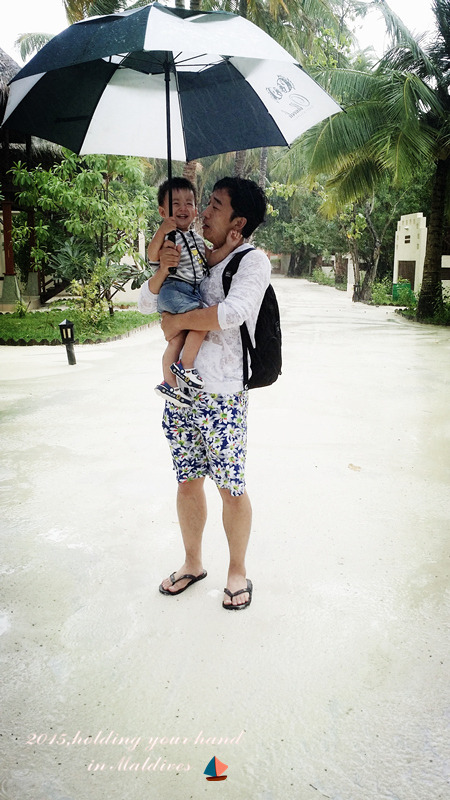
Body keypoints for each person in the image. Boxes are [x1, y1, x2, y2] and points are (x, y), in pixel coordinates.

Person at [138, 177, 270, 610]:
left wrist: (178, 322)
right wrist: (163, 268)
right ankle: (192, 562)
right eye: (206, 204)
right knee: (187, 481)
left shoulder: (252, 261)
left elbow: (233, 312)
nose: (204, 212)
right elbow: (145, 303)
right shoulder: (190, 249)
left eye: (214, 205)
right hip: (182, 394)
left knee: (230, 486)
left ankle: (237, 571)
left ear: (238, 221)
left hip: (223, 395)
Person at [148, 177, 238, 408]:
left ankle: (170, 384)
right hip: (175, 289)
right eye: (175, 203)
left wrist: (228, 246)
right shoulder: (167, 237)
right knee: (202, 321)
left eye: (189, 203)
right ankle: (185, 366)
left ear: (196, 210)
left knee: (176, 340)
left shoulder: (196, 239)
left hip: (189, 292)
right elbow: (152, 255)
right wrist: (162, 231)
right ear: (162, 211)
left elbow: (210, 259)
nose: (183, 208)